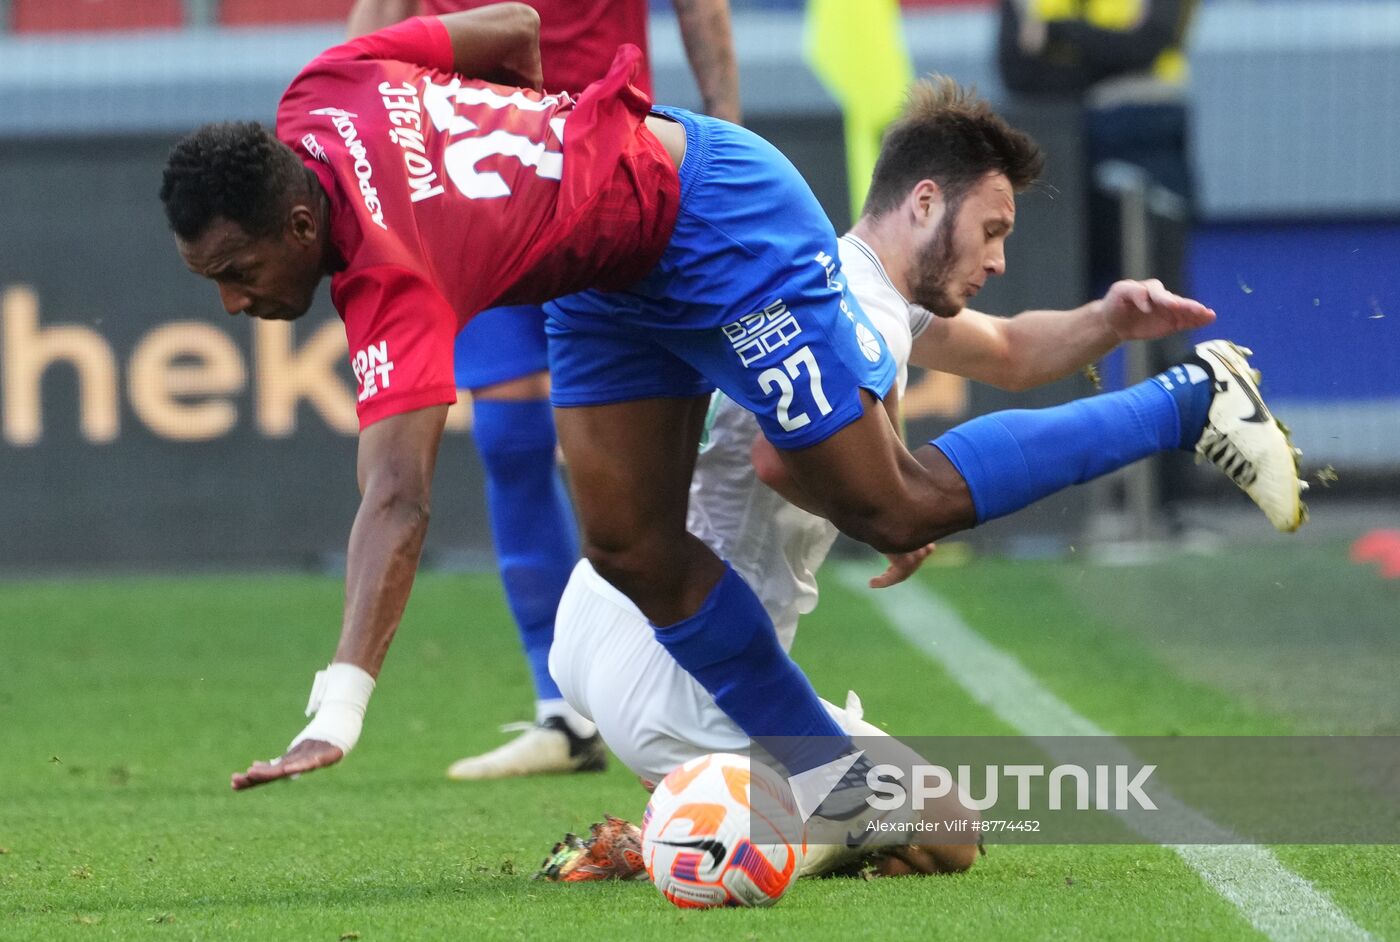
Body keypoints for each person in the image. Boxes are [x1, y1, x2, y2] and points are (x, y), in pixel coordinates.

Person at [157, 6, 1304, 794]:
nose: (232, 304)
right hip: (601, 274)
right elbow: (511, 26)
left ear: (300, 223)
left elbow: (396, 502)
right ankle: (822, 773)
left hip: (708, 214)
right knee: (623, 543)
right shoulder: (322, 82)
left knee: (892, 506)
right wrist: (533, 154)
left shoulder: (388, 278)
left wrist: (336, 711)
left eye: (235, 274)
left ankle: (1188, 402)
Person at [537, 79, 1297, 877]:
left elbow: (1007, 351)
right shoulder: (859, 306)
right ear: (926, 202)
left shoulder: (830, 277)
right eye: (991, 230)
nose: (1000, 259)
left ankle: (679, 817)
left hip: (597, 621)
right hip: (681, 667)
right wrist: (883, 500)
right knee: (948, 831)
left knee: (898, 811)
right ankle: (701, 832)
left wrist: (1108, 318)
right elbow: (776, 455)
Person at [341, 0, 738, 781]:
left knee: (661, 447)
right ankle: (567, 708)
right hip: (468, 181)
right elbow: (377, 20)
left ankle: (693, 674)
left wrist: (724, 121)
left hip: (614, 174)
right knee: (509, 438)